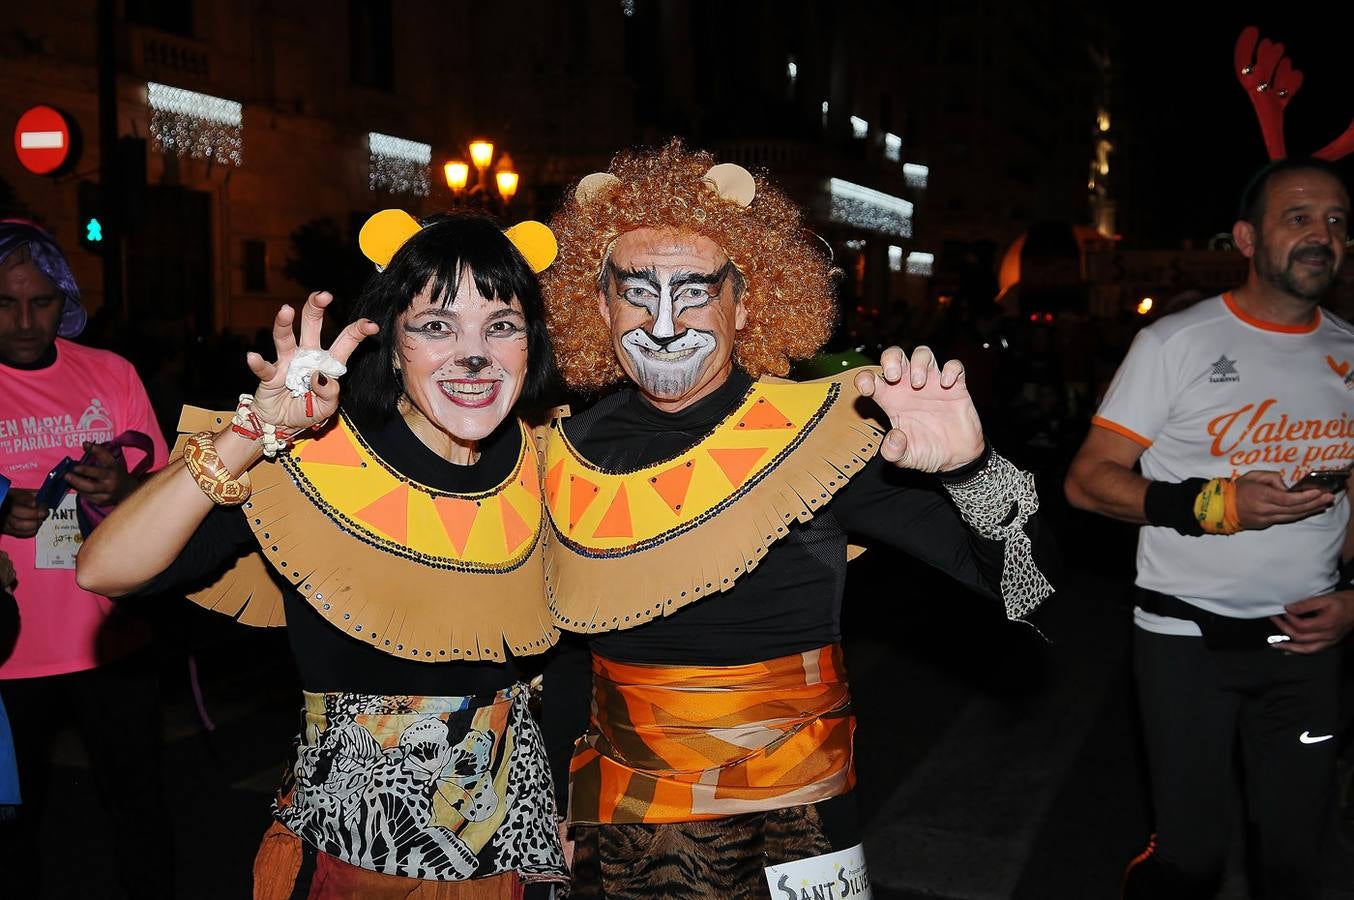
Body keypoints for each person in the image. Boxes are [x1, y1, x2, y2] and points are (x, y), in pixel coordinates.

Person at [537, 141, 1055, 896]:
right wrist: (553, 798)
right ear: (600, 303)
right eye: (637, 291)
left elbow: (1029, 589)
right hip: (624, 814)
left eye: (694, 289)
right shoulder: (563, 452)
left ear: (746, 303)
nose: (666, 320)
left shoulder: (820, 434)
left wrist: (972, 471)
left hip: (799, 817)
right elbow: (564, 653)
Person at [77, 211, 570, 898]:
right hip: (348, 867)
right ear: (392, 344)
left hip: (513, 861)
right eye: (436, 326)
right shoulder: (316, 459)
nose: (473, 355)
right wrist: (257, 431)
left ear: (530, 344)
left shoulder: (554, 463)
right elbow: (106, 568)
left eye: (501, 326)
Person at [1064, 157, 1354, 899]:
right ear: (1247, 238)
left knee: (1296, 859)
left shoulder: (1351, 351)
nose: (1322, 236)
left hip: (1306, 645)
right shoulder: (1175, 344)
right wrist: (1214, 505)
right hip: (1184, 642)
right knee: (1190, 858)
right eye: (1299, 218)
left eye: (1337, 222)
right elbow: (1089, 480)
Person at [0, 218, 170, 896]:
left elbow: (166, 496)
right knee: (14, 827)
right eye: (5, 303)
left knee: (140, 814)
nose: (23, 320)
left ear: (63, 298)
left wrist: (122, 488)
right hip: (9, 651)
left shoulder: (109, 373)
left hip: (111, 637)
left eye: (40, 301)